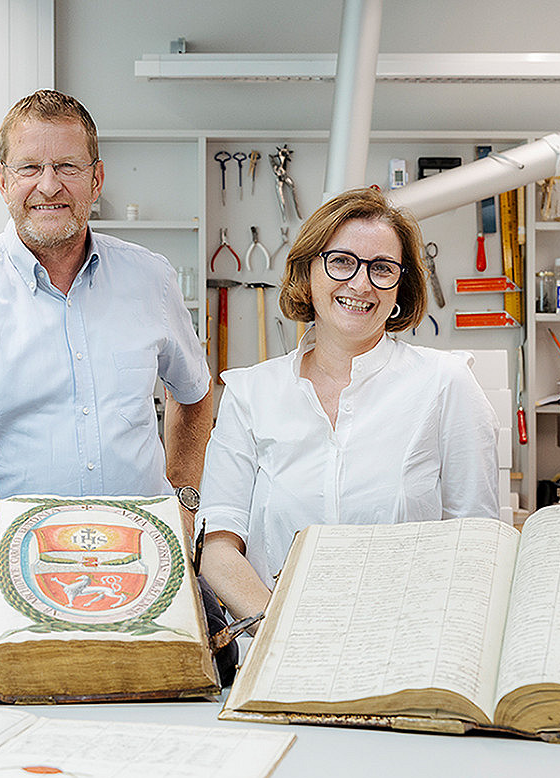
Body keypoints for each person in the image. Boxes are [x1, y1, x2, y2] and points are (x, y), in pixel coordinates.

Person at [0, 89, 212, 532]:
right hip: (8, 564)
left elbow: (193, 393)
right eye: (30, 168)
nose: (49, 185)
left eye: (67, 167)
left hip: (140, 555)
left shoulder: (151, 278)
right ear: (3, 181)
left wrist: (184, 500)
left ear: (96, 180)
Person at [198, 187, 501, 623]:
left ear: (402, 286)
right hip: (276, 645)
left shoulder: (445, 384)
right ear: (307, 272)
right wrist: (283, 629)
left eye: (382, 268)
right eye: (341, 261)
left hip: (403, 644)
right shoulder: (250, 393)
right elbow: (219, 549)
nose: (360, 284)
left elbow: (475, 544)